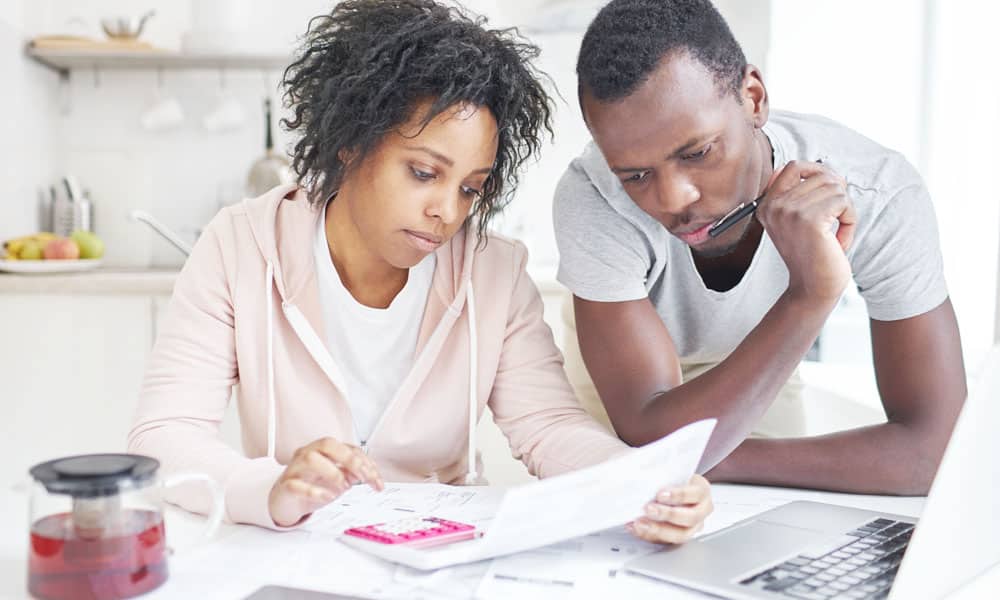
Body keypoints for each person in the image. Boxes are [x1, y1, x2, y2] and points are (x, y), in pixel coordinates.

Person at [128, 0, 711, 542]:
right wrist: (271, 488)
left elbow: (548, 426)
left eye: (470, 188)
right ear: (350, 143)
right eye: (424, 173)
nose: (447, 212)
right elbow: (165, 437)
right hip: (293, 544)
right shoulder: (240, 245)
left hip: (439, 554)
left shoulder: (494, 272)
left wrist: (637, 481)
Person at [554, 0, 966, 495]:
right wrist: (809, 296)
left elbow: (932, 454)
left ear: (752, 98)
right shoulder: (595, 198)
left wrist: (693, 459)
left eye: (698, 153)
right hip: (625, 386)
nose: (672, 199)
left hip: (759, 356)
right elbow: (645, 426)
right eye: (636, 175)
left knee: (763, 534)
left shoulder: (878, 192)